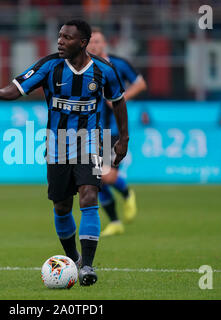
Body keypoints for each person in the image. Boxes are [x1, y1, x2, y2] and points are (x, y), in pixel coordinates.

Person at [0, 19, 129, 286]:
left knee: (89, 194)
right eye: (59, 36)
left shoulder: (105, 70)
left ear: (82, 42)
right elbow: (19, 86)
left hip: (92, 141)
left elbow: (118, 102)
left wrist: (123, 138)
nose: (60, 41)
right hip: (57, 145)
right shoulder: (50, 66)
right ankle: (73, 259)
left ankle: (88, 267)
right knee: (61, 205)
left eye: (67, 38)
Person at [87, 27, 147, 237]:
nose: (94, 45)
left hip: (111, 129)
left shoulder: (118, 64)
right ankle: (114, 221)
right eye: (91, 42)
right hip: (89, 131)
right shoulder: (81, 67)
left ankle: (127, 192)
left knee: (106, 176)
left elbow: (140, 83)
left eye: (98, 42)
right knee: (97, 179)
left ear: (105, 44)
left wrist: (120, 99)